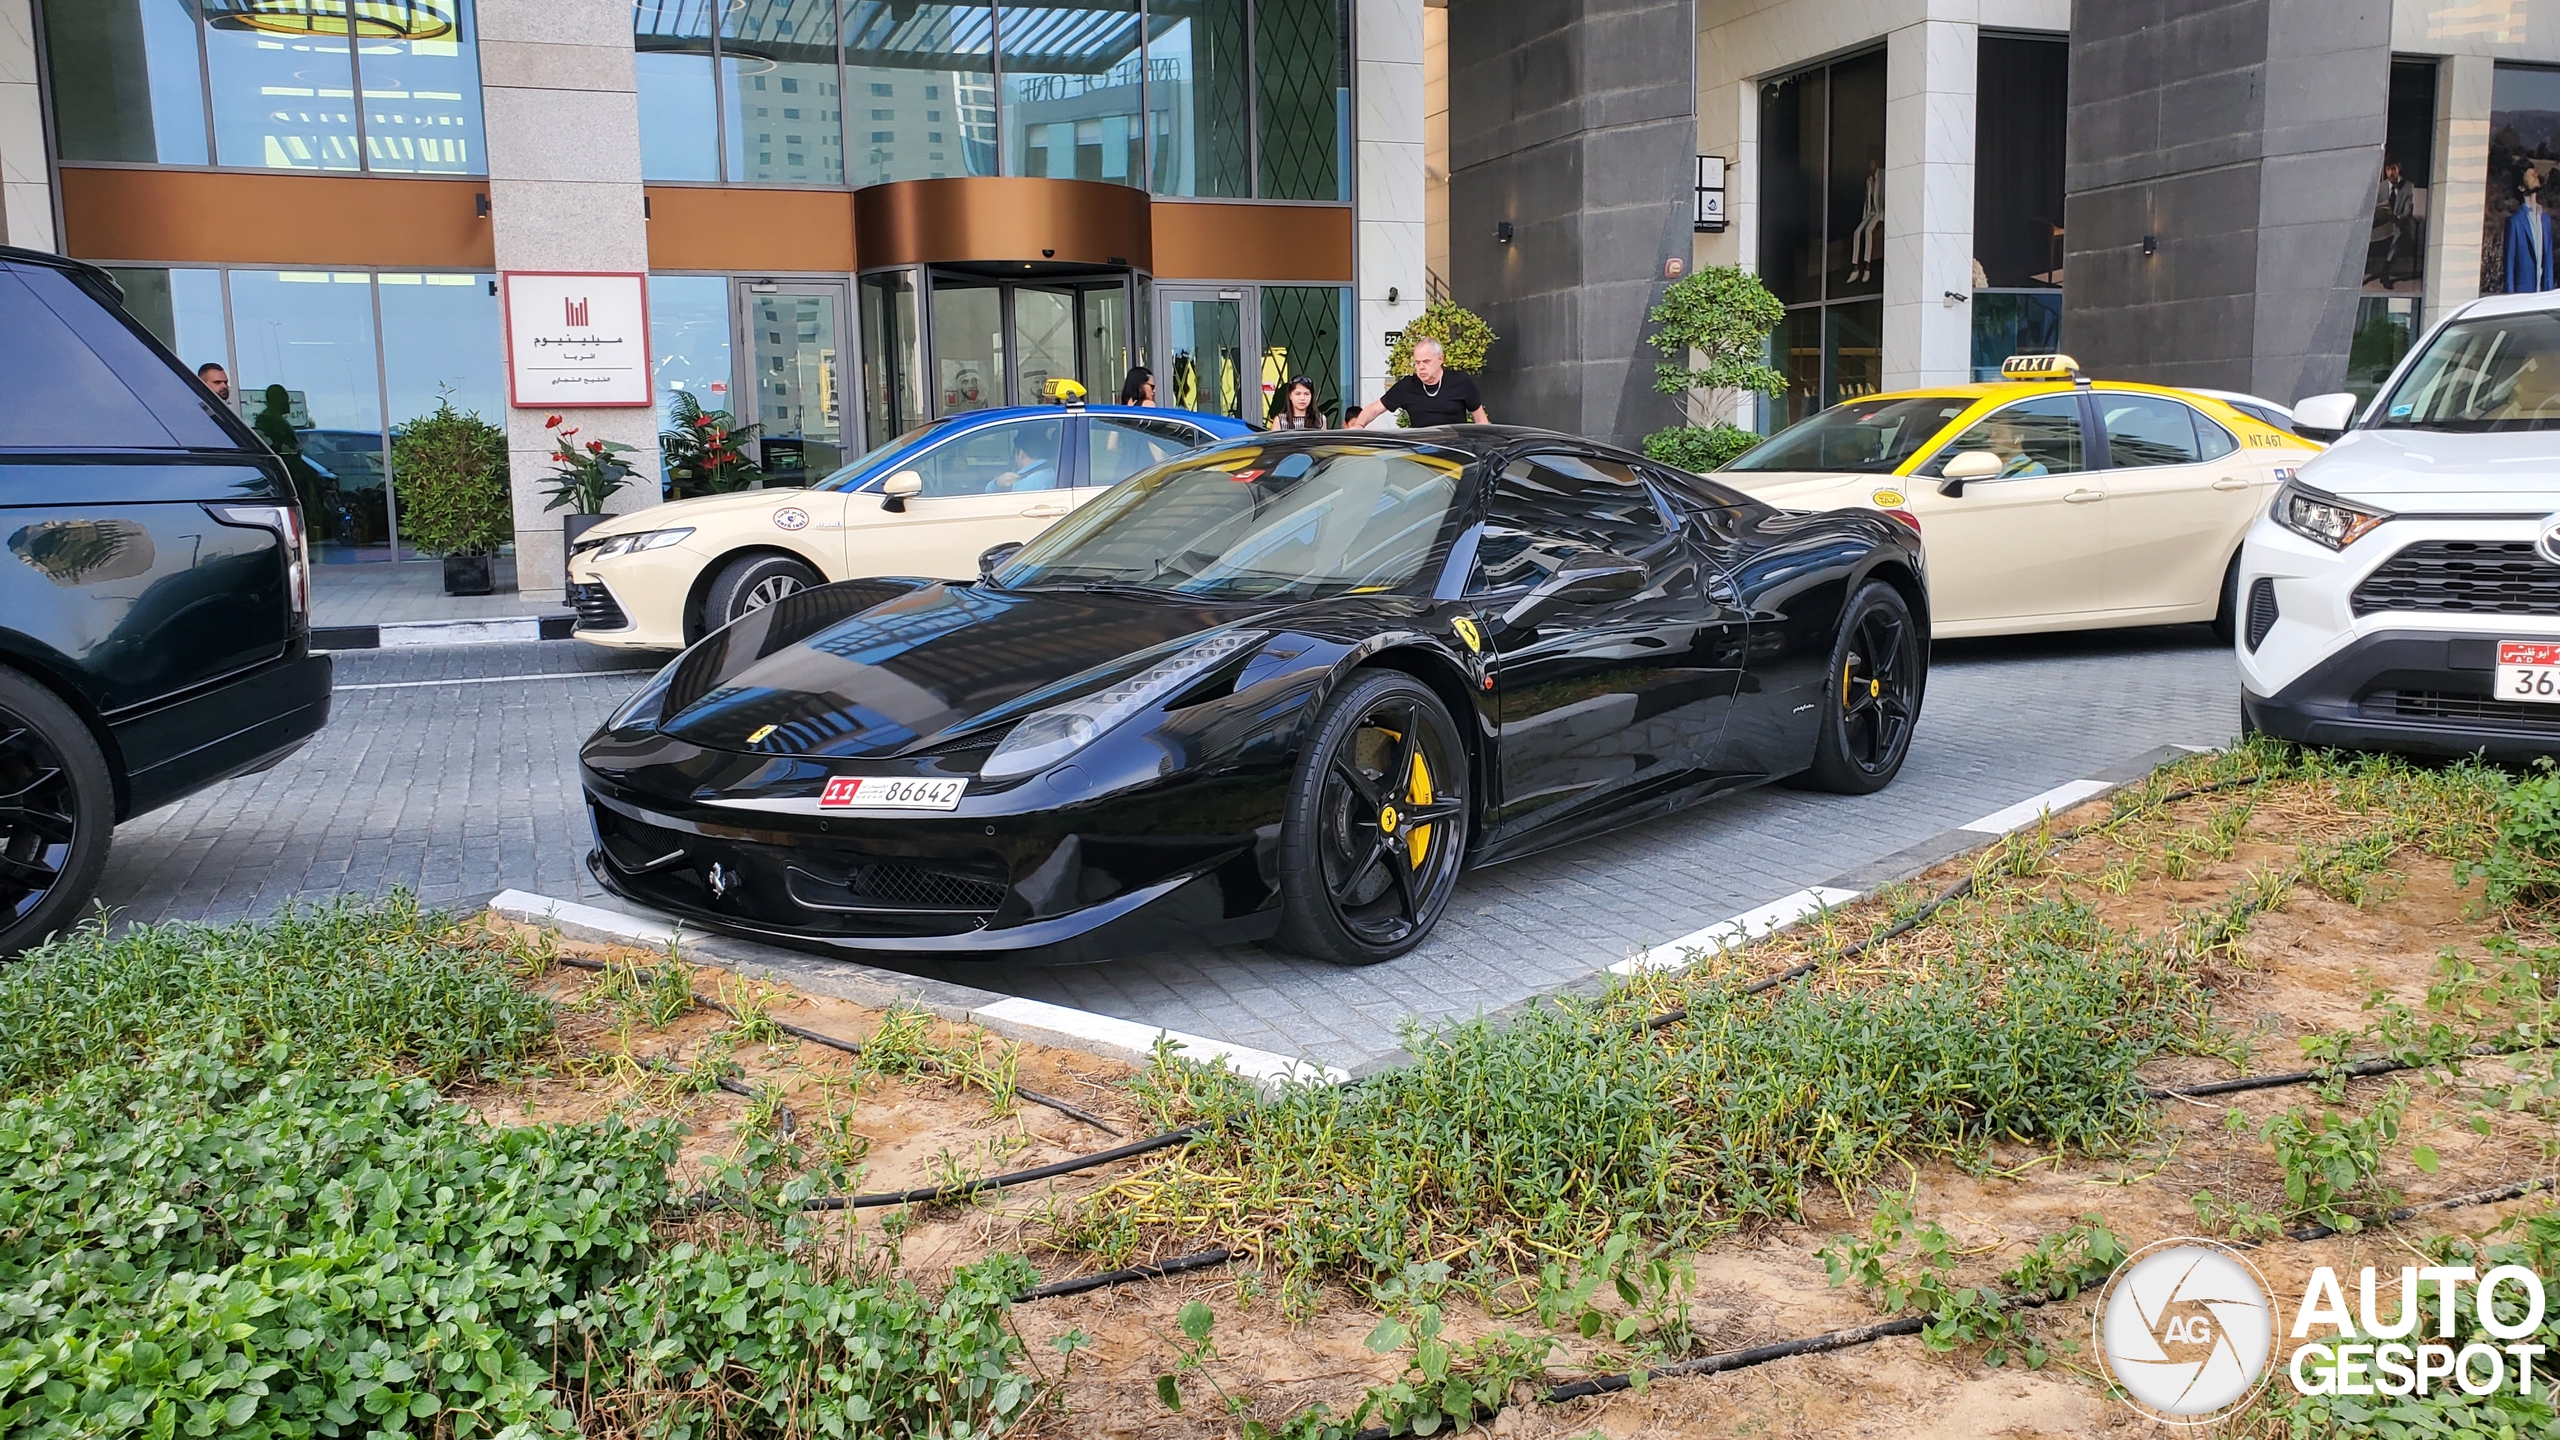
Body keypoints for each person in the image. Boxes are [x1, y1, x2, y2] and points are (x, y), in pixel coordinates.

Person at [1350, 339, 1488, 428]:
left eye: (1426, 362)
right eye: (1417, 362)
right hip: (1421, 455)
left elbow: (1481, 421)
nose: (1421, 367)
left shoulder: (1462, 382)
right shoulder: (1407, 386)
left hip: (1457, 452)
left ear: (1440, 359)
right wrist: (1359, 425)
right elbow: (1375, 409)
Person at [2510, 164, 2557, 294]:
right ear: (2521, 187)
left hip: (2542, 295)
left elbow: (2548, 261)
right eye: (2529, 173)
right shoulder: (2515, 222)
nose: (2534, 174)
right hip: (2522, 296)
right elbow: (2509, 266)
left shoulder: (2545, 220)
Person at [992, 438, 1058, 492]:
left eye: (1014, 453)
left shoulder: (1025, 483)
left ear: (1021, 453)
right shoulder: (1052, 471)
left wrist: (997, 483)